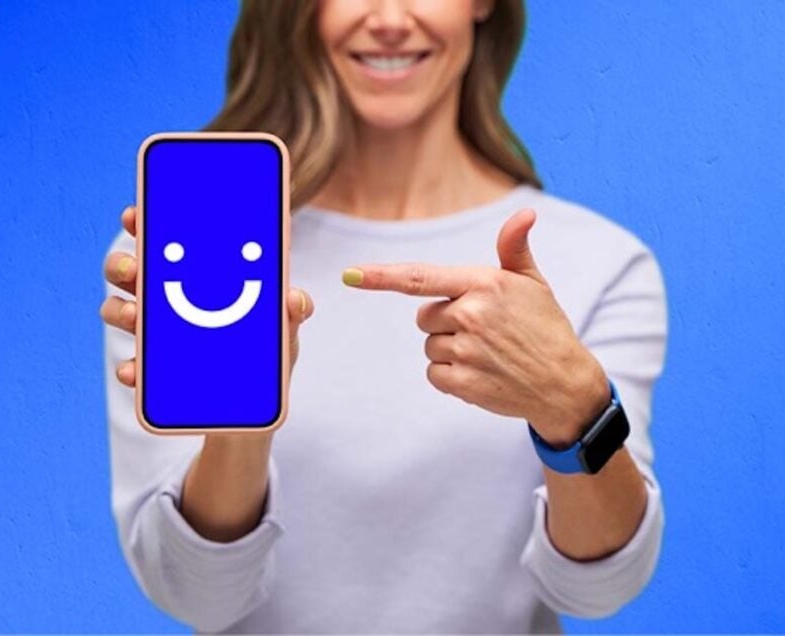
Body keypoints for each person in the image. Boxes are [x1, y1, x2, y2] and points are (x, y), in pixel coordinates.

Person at [99, 1, 668, 633]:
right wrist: (246, 415)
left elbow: (600, 589)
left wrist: (575, 409)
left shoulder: (599, 260)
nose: (391, 19)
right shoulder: (196, 254)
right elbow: (194, 596)